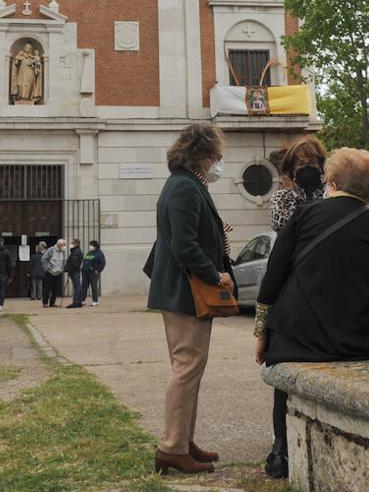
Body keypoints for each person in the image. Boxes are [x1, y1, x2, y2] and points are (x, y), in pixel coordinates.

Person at [254, 147, 369, 478]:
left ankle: (282, 452)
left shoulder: (303, 216)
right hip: (364, 340)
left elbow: (272, 278)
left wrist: (262, 332)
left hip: (300, 339)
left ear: (332, 181)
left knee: (283, 379)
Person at [146, 122, 232, 475]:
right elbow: (185, 245)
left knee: (190, 368)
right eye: (216, 156)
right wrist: (216, 274)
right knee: (186, 369)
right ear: (202, 155)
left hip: (182, 291)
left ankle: (184, 439)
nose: (218, 162)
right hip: (186, 291)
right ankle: (172, 447)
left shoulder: (187, 184)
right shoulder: (184, 187)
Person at [266, 136, 329, 233]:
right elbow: (283, 226)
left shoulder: (330, 193)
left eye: (312, 162)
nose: (307, 167)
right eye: (301, 164)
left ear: (321, 166)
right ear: (292, 170)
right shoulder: (281, 198)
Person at [41, 238, 68, 308]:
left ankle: (52, 303)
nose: (64, 246)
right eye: (63, 245)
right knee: (47, 288)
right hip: (50, 272)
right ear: (59, 245)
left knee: (56, 289)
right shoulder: (51, 250)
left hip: (58, 272)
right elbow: (44, 259)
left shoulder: (63, 251)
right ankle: (45, 303)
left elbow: (65, 260)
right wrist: (46, 268)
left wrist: (64, 268)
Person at [80, 240, 106, 306]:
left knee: (94, 287)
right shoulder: (89, 253)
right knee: (84, 286)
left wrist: (98, 270)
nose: (90, 246)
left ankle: (95, 301)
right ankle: (82, 300)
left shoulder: (99, 254)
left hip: (93, 273)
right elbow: (85, 261)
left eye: (91, 245)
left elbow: (103, 263)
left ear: (95, 246)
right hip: (85, 272)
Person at [64, 239, 85, 308]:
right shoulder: (76, 251)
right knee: (77, 287)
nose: (71, 244)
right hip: (76, 271)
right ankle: (78, 302)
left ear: (76, 244)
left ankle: (76, 302)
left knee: (77, 287)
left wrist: (70, 271)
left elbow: (74, 263)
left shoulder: (76, 252)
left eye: (72, 243)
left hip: (74, 271)